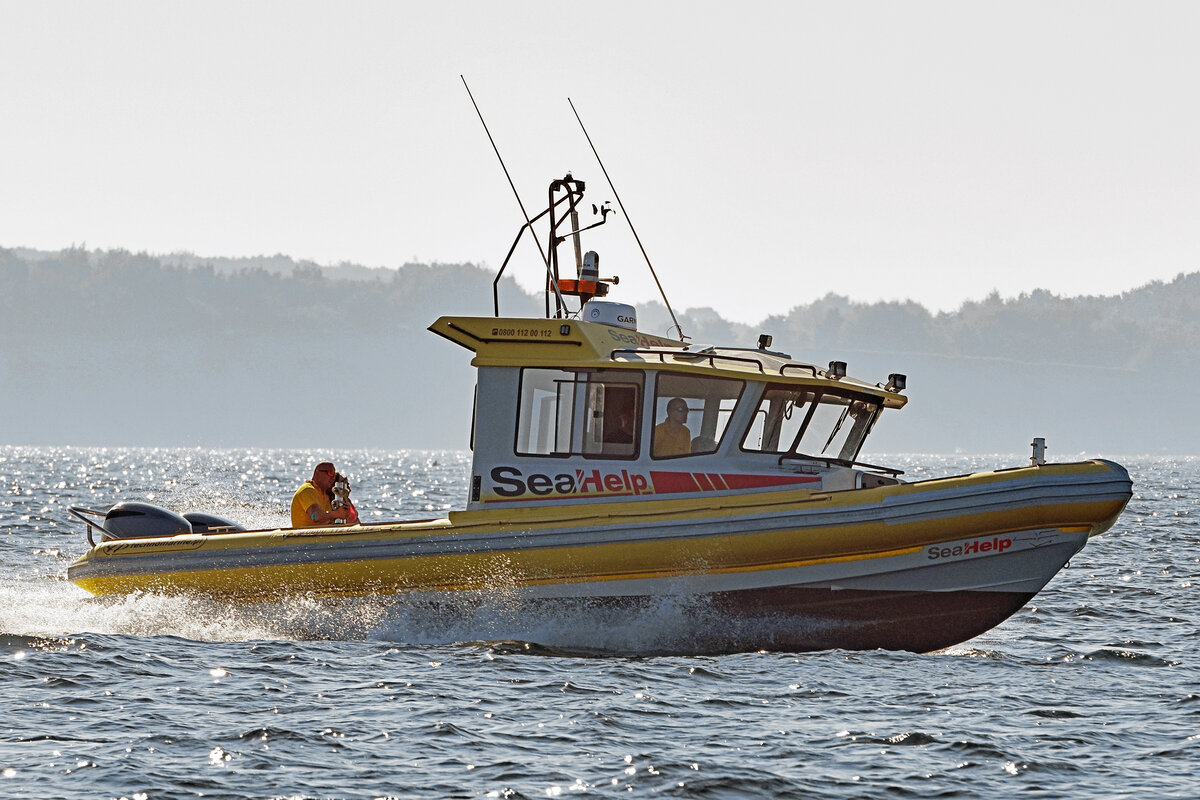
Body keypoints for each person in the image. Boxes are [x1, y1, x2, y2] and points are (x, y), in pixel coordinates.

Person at [291, 462, 354, 528]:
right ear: (317, 473)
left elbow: (330, 518)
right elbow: (315, 516)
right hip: (303, 535)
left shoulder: (326, 495)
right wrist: (336, 514)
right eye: (330, 473)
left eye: (334, 475)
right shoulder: (307, 491)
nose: (333, 477)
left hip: (320, 535)